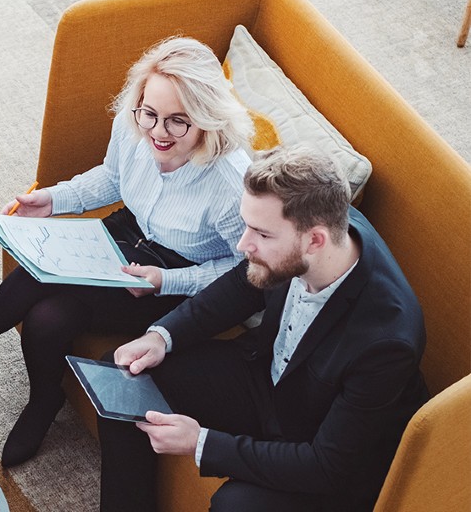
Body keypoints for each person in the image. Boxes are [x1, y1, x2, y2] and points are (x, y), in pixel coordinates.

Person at [0, 37, 255, 466]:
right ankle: (23, 384)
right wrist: (55, 200)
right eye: (150, 114)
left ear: (208, 119)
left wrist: (169, 281)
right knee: (37, 276)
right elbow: (115, 178)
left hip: (174, 278)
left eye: (178, 122)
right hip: (125, 232)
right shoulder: (134, 122)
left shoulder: (231, 182)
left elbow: (246, 270)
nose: (157, 131)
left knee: (49, 316)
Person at [97, 146, 428, 512]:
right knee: (122, 381)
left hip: (322, 442)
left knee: (235, 505)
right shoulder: (315, 228)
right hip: (265, 377)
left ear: (315, 240)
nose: (243, 245)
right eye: (246, 225)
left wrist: (201, 442)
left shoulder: (386, 340)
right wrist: (161, 336)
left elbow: (327, 466)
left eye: (261, 234)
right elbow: (244, 283)